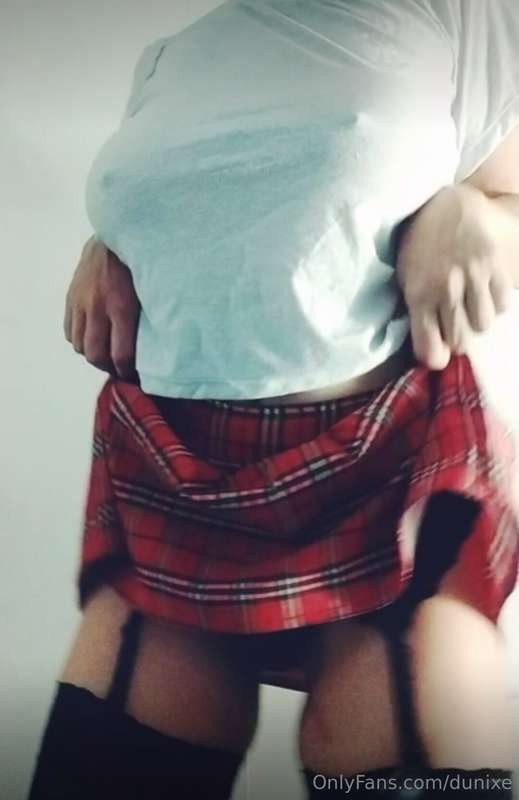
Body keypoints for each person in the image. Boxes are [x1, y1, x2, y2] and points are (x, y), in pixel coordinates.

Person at [27, 1, 519, 798]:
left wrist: (473, 210)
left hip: (382, 469)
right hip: (173, 466)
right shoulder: (173, 56)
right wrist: (107, 238)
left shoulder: (461, 14)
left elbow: (509, 200)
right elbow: (223, 208)